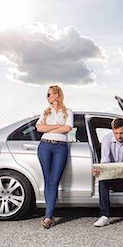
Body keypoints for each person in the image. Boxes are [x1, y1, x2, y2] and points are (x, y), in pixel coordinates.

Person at [36, 85, 73, 229]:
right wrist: (57, 126)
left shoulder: (68, 112)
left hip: (60, 148)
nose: (47, 97)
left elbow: (67, 128)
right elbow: (39, 128)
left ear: (57, 95)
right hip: (45, 146)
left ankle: (49, 215)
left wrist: (49, 127)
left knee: (54, 180)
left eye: (49, 94)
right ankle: (48, 216)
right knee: (47, 179)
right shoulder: (46, 112)